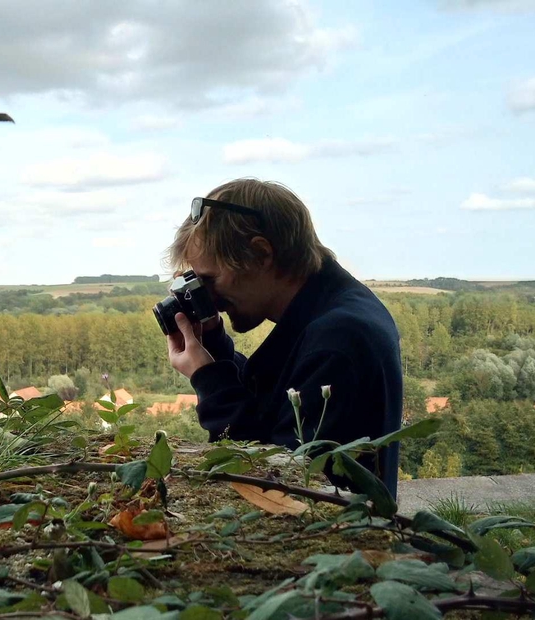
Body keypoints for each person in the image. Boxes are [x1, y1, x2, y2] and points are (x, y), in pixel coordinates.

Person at [165, 178, 403, 497]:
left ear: (261, 254)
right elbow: (277, 409)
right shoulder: (328, 310)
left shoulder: (339, 339)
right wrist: (216, 352)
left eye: (210, 279)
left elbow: (277, 482)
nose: (210, 297)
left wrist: (210, 382)